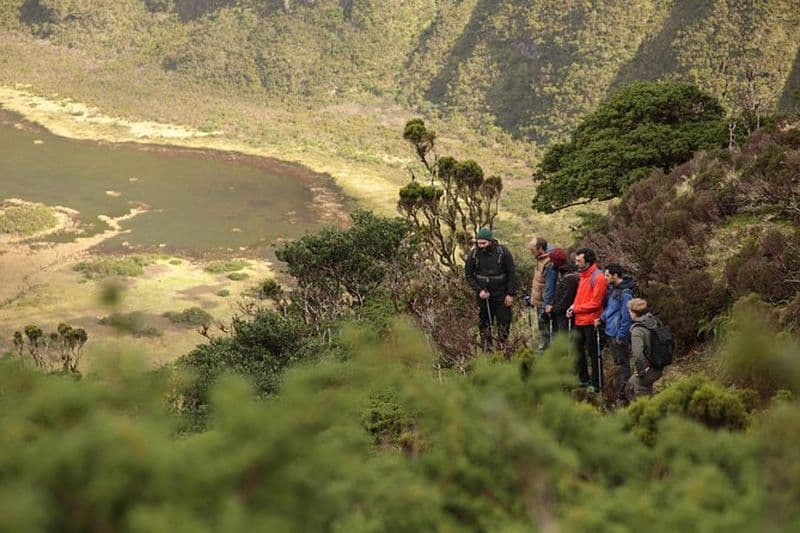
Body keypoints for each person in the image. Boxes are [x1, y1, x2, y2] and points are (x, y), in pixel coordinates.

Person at [465, 227, 517, 349]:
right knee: (484, 324)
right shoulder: (473, 254)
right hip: (484, 295)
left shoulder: (503, 252)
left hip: (502, 294)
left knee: (504, 322)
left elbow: (511, 273)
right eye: (479, 243)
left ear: (490, 241)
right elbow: (468, 275)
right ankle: (486, 349)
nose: (481, 246)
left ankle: (502, 348)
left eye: (484, 243)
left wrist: (510, 294)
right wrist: (479, 291)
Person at [567, 248, 608, 391]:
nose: (576, 263)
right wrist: (572, 307)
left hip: (591, 322)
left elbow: (596, 303)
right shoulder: (583, 275)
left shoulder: (598, 278)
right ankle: (583, 379)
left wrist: (576, 309)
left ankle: (596, 384)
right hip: (579, 320)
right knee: (578, 350)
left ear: (588, 262)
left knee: (593, 353)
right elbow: (580, 297)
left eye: (579, 260)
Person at [596, 264, 636, 404]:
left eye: (607, 275)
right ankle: (620, 391)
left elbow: (627, 317)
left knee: (623, 364)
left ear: (615, 275)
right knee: (617, 363)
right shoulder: (613, 289)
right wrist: (601, 318)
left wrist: (621, 334)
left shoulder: (625, 293)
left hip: (618, 335)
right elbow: (610, 309)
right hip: (611, 332)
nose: (605, 278)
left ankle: (625, 394)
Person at [626, 298, 663, 401]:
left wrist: (641, 372)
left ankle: (644, 413)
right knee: (643, 388)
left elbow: (638, 355)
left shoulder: (637, 331)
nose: (629, 313)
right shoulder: (653, 320)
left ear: (634, 313)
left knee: (633, 389)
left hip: (649, 367)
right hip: (658, 364)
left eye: (629, 311)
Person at [528, 237, 556, 350]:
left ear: (540, 249)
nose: (531, 252)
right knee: (543, 331)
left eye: (532, 250)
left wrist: (546, 305)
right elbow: (538, 282)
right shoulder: (540, 259)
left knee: (548, 331)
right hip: (539, 302)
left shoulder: (549, 263)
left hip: (545, 304)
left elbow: (550, 286)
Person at [546, 248, 579, 334]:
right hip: (561, 315)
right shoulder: (562, 274)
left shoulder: (570, 278)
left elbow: (566, 300)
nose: (550, 264)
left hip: (566, 317)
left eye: (552, 261)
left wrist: (553, 308)